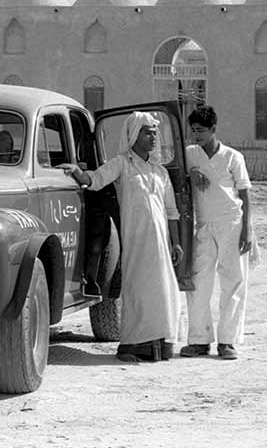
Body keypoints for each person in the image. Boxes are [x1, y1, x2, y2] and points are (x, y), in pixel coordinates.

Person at [60, 112, 182, 363]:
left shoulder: (160, 171)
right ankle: (131, 346)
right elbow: (94, 180)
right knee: (138, 290)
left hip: (160, 243)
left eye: (155, 131)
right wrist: (77, 172)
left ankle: (159, 344)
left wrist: (176, 242)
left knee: (162, 290)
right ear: (134, 135)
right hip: (137, 241)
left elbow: (171, 212)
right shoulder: (122, 164)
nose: (153, 136)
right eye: (148, 132)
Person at [180, 104, 252, 360]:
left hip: (232, 222)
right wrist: (192, 173)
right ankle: (199, 340)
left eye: (200, 130)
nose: (196, 134)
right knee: (198, 281)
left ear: (213, 129)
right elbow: (175, 173)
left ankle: (227, 341)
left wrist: (248, 230)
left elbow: (244, 192)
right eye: (193, 130)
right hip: (203, 224)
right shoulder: (190, 154)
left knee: (232, 280)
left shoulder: (233, 157)